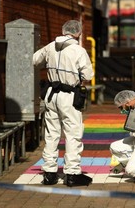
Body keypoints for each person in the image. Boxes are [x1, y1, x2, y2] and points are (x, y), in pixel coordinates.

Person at [33, 20, 94, 187]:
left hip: (51, 94)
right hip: (69, 95)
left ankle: (49, 173)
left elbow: (34, 60)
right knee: (72, 134)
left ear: (63, 31)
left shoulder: (50, 46)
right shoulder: (79, 50)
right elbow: (88, 74)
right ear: (78, 33)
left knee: (51, 134)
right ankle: (72, 173)